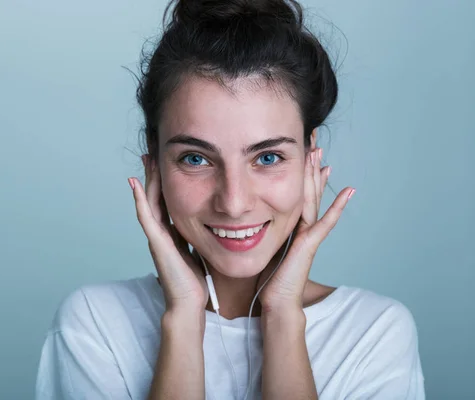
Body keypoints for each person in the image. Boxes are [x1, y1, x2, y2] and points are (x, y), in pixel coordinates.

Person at [35, 0, 425, 399]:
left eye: (268, 157)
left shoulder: (374, 333)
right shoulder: (96, 323)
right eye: (196, 158)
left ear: (311, 157)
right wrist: (184, 319)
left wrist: (283, 318)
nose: (234, 203)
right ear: (154, 165)